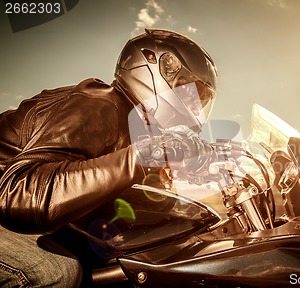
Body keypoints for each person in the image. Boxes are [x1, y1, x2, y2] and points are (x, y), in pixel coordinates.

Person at [0, 29, 218, 287]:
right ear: (154, 71)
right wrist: (147, 155)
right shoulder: (101, 105)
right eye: (190, 95)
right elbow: (17, 193)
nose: (194, 109)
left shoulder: (139, 129)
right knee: (54, 271)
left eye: (200, 102)